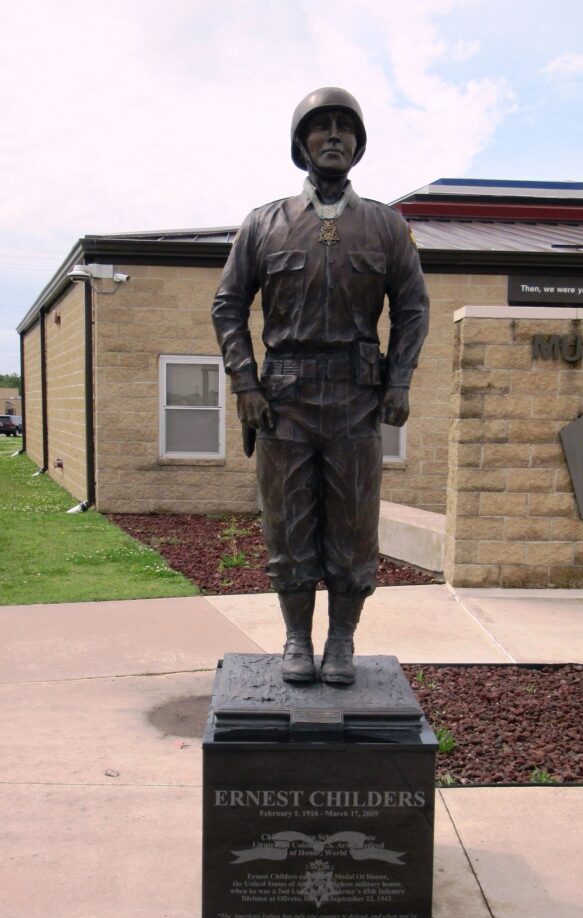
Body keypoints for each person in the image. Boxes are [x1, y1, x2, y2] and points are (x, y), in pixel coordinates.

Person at [212, 87, 429, 686]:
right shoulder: (264, 224)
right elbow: (229, 305)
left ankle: (340, 642)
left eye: (345, 127)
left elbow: (412, 310)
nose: (334, 136)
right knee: (288, 526)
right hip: (283, 402)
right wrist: (244, 384)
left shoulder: (386, 226)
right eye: (321, 127)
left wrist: (399, 380)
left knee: (354, 528)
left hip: (356, 401)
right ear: (300, 144)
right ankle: (295, 639)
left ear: (359, 144)